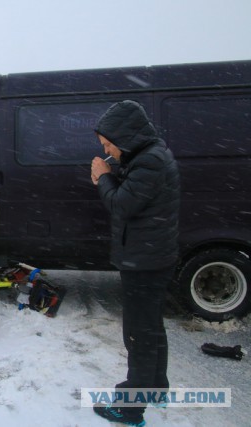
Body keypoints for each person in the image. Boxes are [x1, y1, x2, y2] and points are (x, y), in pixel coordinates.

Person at [90, 100, 180, 426]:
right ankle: (155, 389)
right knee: (152, 328)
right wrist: (112, 175)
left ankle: (129, 409)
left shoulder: (150, 163)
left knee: (139, 336)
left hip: (145, 262)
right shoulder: (149, 156)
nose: (107, 151)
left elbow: (121, 205)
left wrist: (103, 178)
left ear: (124, 135)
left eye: (107, 144)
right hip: (152, 257)